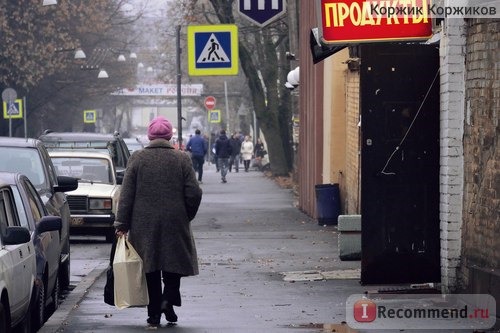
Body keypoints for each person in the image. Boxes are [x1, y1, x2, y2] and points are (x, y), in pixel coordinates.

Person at [114, 116, 202, 328]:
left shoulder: (138, 158)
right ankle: (167, 301)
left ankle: (154, 315)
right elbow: (194, 193)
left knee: (150, 268)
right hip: (175, 220)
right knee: (174, 265)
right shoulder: (182, 159)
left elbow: (127, 194)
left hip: (143, 222)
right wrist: (186, 214)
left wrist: (122, 224)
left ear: (150, 136)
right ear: (170, 135)